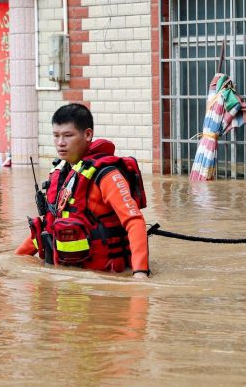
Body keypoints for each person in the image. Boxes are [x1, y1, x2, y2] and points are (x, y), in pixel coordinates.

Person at [15, 103, 151, 279]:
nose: (60, 143)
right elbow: (48, 225)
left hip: (103, 280)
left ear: (88, 134)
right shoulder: (60, 173)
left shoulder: (106, 175)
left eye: (68, 135)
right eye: (56, 136)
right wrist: (16, 258)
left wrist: (140, 273)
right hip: (64, 279)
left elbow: (134, 221)